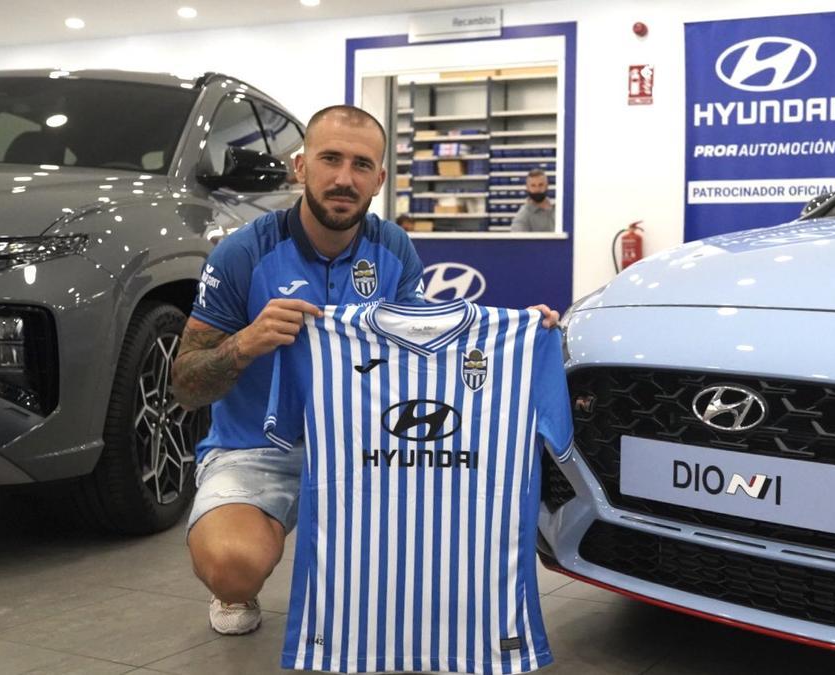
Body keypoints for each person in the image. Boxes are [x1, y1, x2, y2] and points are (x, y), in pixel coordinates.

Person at [171, 105, 559, 636]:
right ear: (301, 166)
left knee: (439, 556)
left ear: (379, 179)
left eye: (360, 165)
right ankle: (240, 585)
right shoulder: (244, 252)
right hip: (257, 450)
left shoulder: (394, 247)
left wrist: (521, 330)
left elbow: (430, 350)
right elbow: (185, 384)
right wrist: (244, 343)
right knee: (232, 566)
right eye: (330, 159)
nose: (343, 178)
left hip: (367, 449)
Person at [510, 168, 554, 232]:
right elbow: (518, 241)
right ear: (527, 188)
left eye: (541, 185)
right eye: (533, 186)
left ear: (547, 186)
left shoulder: (558, 210)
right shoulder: (522, 217)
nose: (537, 189)